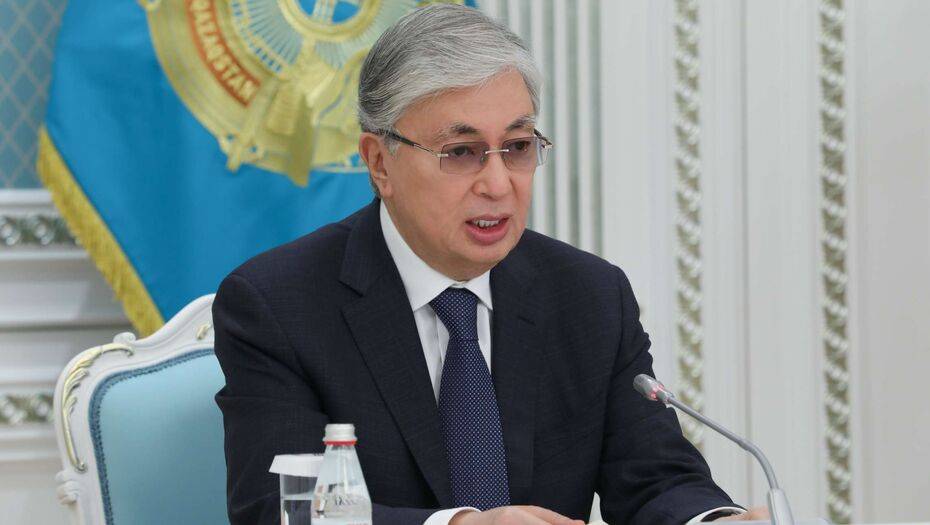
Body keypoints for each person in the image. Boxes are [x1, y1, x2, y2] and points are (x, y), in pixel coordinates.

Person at [213, 4, 770, 525]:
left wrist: (712, 521)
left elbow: (657, 478)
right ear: (380, 163)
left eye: (519, 147)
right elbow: (284, 511)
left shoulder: (590, 296)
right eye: (461, 153)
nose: (499, 184)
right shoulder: (279, 306)